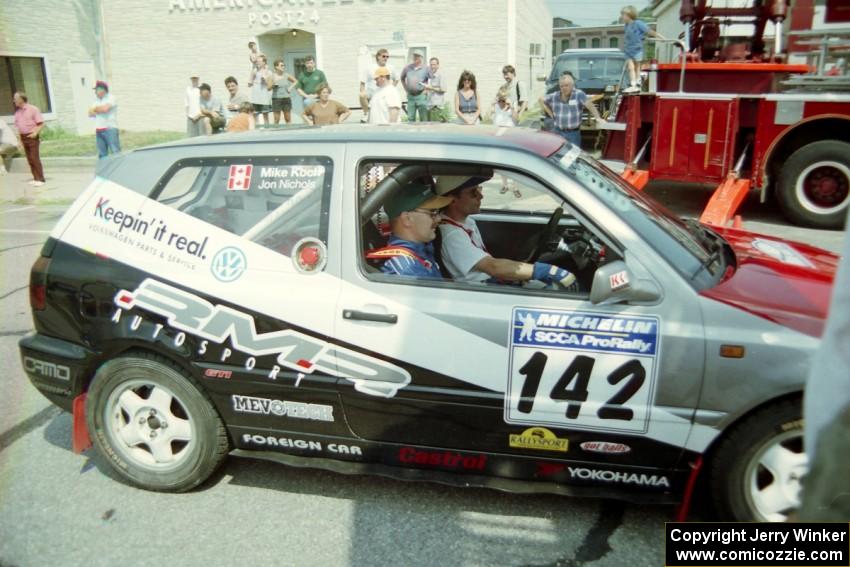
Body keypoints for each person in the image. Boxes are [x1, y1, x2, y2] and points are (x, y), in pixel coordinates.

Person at [436, 175, 576, 287]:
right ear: (452, 200)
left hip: (491, 282)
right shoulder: (452, 234)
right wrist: (547, 271)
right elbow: (492, 266)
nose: (481, 196)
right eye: (473, 192)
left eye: (480, 189)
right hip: (481, 291)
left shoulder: (466, 222)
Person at [366, 180, 453, 278]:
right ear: (407, 219)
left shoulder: (420, 251)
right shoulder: (408, 269)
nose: (439, 218)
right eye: (432, 213)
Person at [539, 73, 605, 147]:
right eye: (561, 86)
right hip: (558, 132)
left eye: (566, 85)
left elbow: (590, 105)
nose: (564, 88)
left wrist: (598, 118)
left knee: (573, 156)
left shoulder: (579, 94)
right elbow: (541, 99)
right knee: (558, 155)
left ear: (572, 85)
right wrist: (550, 113)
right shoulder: (554, 96)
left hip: (573, 134)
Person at [620, 5, 665, 93]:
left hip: (637, 48)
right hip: (628, 50)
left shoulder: (638, 23)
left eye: (623, 15)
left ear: (629, 15)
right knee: (630, 67)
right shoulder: (626, 26)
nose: (622, 17)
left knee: (637, 66)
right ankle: (633, 83)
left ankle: (637, 83)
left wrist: (660, 37)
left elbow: (649, 31)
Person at [12, 92, 45, 186]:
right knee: (29, 159)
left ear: (21, 99)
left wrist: (35, 133)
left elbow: (41, 123)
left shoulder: (33, 109)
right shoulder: (17, 112)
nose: (13, 100)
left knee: (34, 158)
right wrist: (20, 141)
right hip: (23, 137)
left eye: (15, 98)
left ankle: (40, 179)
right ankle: (35, 178)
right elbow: (18, 128)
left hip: (32, 136)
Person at [359, 48, 398, 122]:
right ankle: (367, 113)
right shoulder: (369, 67)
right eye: (384, 56)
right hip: (371, 92)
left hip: (384, 93)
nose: (386, 58)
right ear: (378, 57)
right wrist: (363, 93)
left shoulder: (391, 67)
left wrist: (390, 89)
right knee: (362, 95)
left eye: (387, 57)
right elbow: (362, 82)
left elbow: (396, 79)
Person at [88, 80, 120, 158]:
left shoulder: (111, 97)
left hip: (110, 129)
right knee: (102, 155)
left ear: (102, 89)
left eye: (96, 90)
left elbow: (105, 109)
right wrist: (98, 109)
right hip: (99, 130)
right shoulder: (96, 100)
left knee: (115, 152)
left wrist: (95, 109)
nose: (95, 92)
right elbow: (90, 114)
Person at [400, 50, 430, 122]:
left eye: (417, 56)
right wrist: (406, 90)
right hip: (411, 96)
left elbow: (432, 80)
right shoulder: (407, 68)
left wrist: (426, 90)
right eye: (414, 56)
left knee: (423, 119)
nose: (415, 57)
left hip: (421, 96)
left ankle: (423, 132)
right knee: (410, 118)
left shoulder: (426, 68)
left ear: (421, 58)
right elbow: (402, 78)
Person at [248, 54, 273, 126]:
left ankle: (267, 131)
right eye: (257, 62)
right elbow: (249, 84)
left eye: (259, 61)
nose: (258, 63)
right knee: (255, 116)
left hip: (264, 98)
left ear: (264, 62)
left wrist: (265, 80)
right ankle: (256, 132)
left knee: (265, 116)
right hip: (255, 98)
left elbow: (270, 86)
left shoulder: (269, 72)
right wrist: (251, 81)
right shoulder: (254, 71)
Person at [271, 59, 297, 125]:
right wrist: (273, 84)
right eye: (281, 65)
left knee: (288, 119)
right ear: (276, 67)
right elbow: (268, 88)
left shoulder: (286, 75)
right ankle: (275, 132)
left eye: (284, 65)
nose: (283, 67)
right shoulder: (272, 76)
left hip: (286, 98)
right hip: (276, 98)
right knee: (276, 119)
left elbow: (296, 81)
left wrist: (290, 88)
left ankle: (289, 132)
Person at [423, 57, 447, 122]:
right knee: (429, 127)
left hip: (437, 106)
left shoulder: (441, 75)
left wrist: (431, 88)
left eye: (434, 64)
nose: (432, 66)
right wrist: (426, 90)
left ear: (438, 65)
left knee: (438, 127)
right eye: (431, 64)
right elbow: (430, 89)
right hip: (429, 105)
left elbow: (444, 89)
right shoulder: (430, 76)